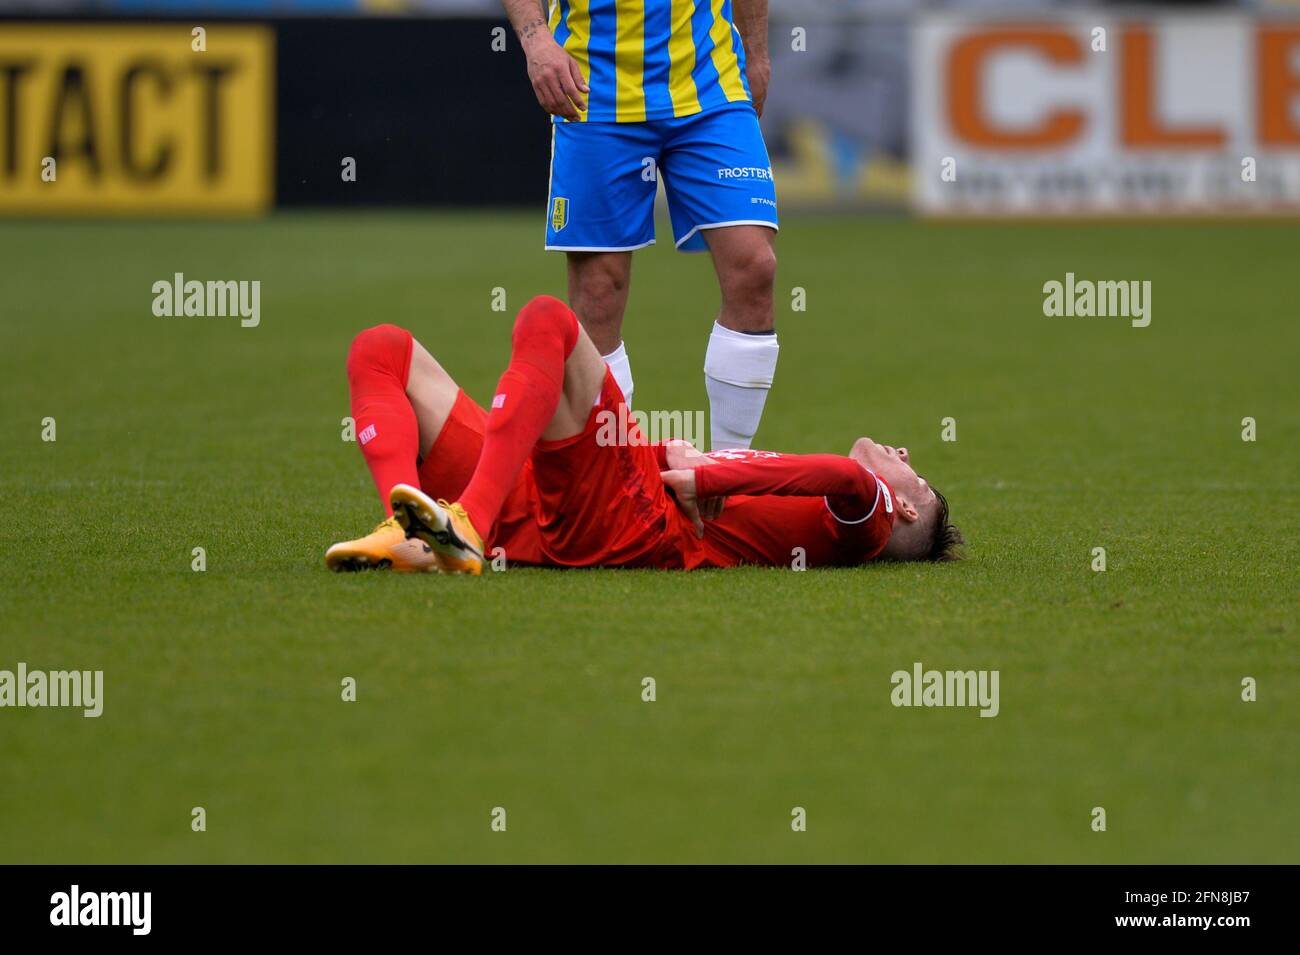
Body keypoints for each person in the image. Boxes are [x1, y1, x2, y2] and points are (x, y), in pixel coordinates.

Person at [325, 296, 961, 574]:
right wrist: (675, 454)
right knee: (381, 351)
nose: (903, 455)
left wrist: (707, 474)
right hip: (579, 508)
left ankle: (464, 523)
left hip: (641, 523)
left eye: (915, 473)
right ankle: (412, 528)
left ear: (901, 505)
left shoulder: (870, 516)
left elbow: (845, 476)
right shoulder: (816, 514)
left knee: (549, 320)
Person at [500, 0, 781, 450]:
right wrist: (536, 40)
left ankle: (729, 476)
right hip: (593, 90)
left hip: (710, 83)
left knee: (754, 266)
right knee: (598, 292)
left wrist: (757, 54)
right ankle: (618, 482)